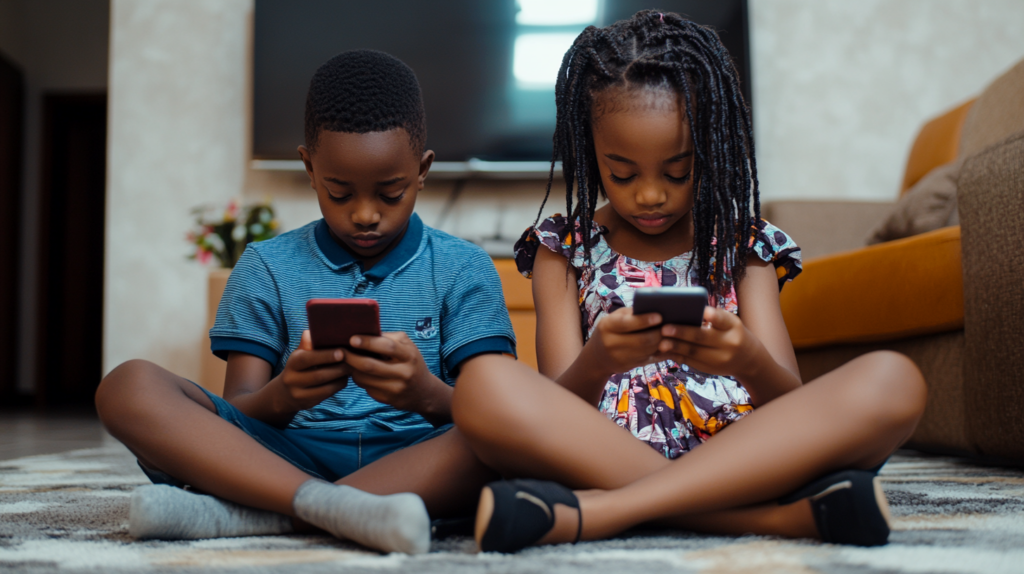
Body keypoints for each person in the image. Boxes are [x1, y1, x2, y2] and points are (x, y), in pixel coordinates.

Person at [450, 11, 927, 553]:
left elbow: (792, 405)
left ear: (712, 146)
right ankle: (773, 519)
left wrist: (746, 359)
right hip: (602, 453)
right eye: (622, 173)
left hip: (746, 454)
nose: (651, 195)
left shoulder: (745, 247)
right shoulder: (563, 249)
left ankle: (605, 511)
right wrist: (599, 360)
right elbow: (554, 407)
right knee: (484, 385)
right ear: (589, 151)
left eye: (678, 171)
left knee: (894, 380)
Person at [95, 50, 515, 555]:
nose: (365, 215)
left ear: (422, 170)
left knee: (509, 434)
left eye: (391, 194)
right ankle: (333, 508)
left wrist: (425, 394)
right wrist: (286, 395)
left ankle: (262, 516)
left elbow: (498, 409)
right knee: (127, 386)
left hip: (420, 458)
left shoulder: (464, 268)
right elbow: (242, 409)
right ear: (310, 168)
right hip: (288, 457)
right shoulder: (266, 266)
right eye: (340, 193)